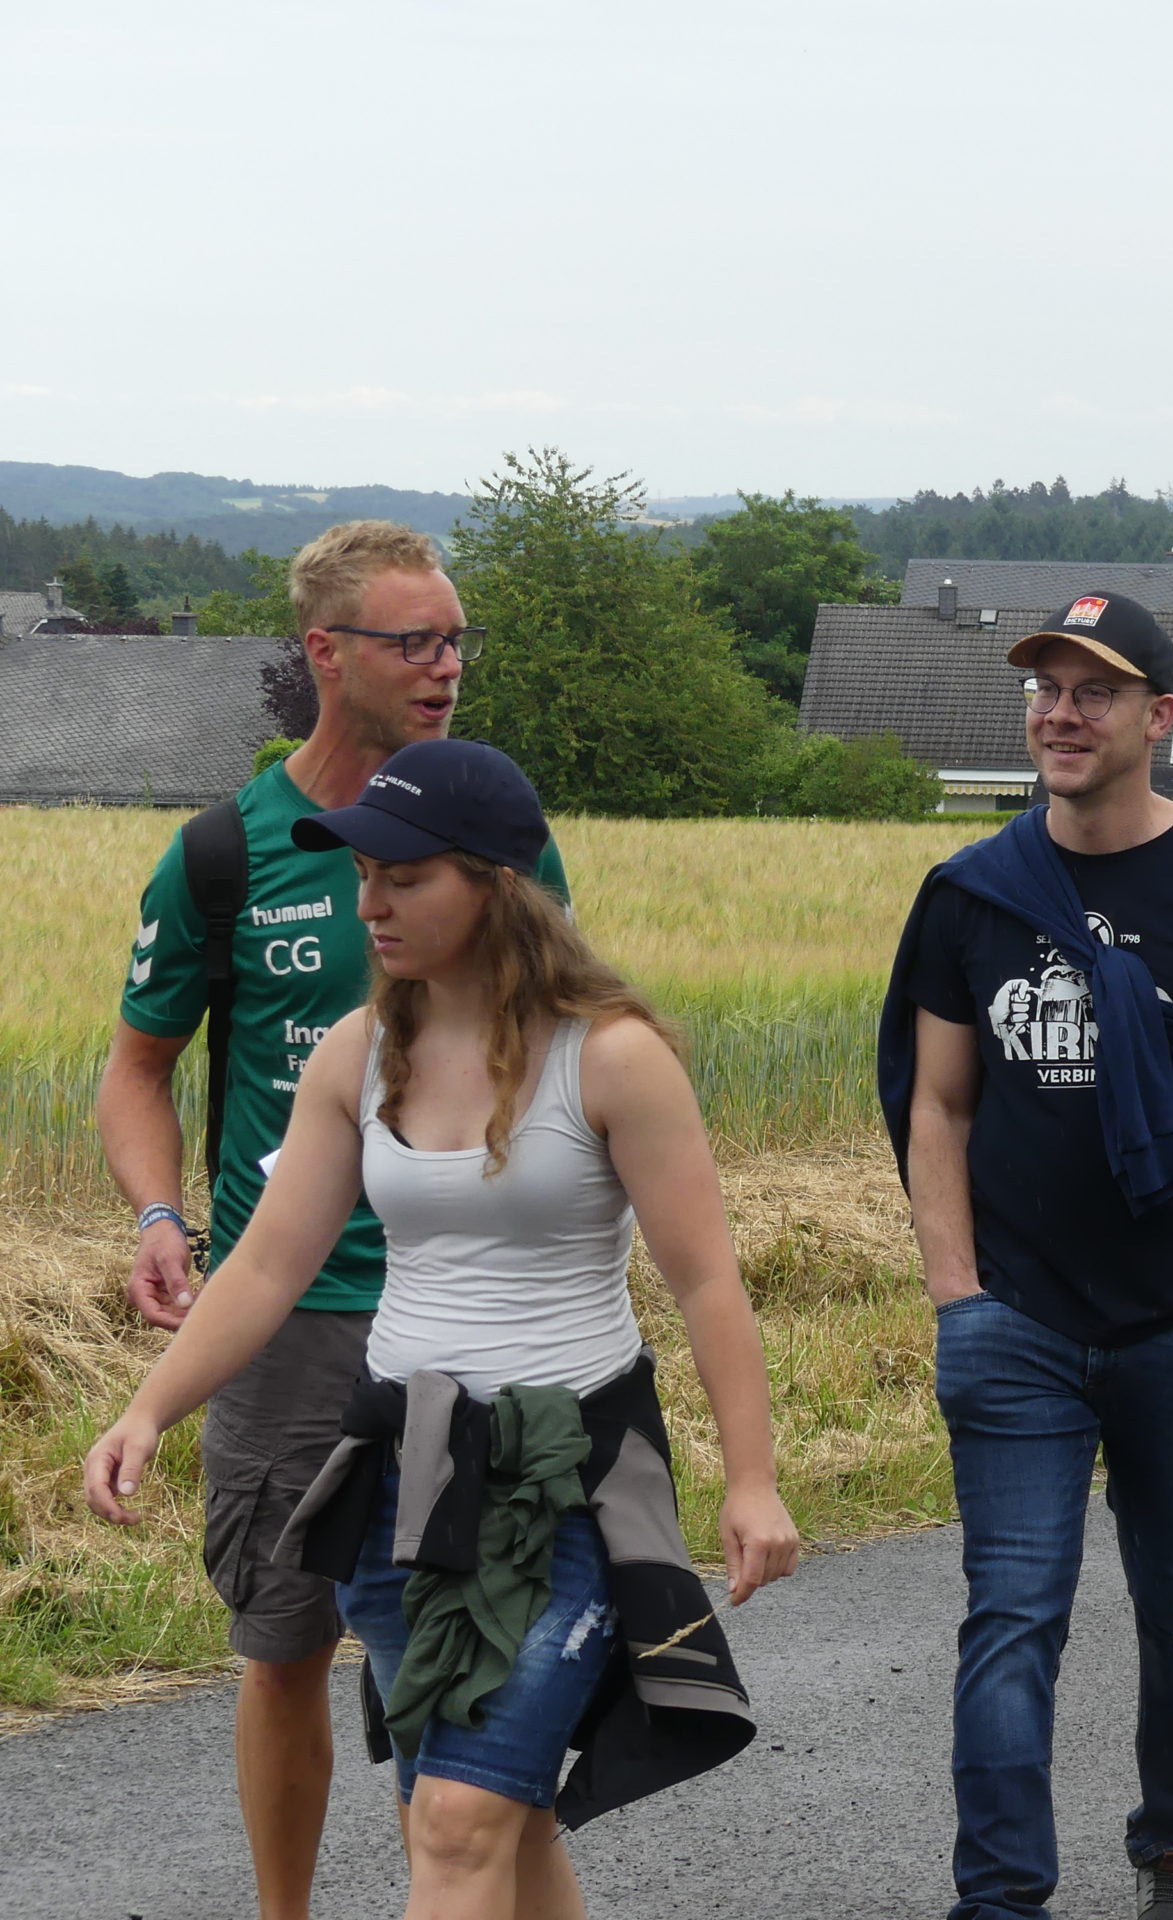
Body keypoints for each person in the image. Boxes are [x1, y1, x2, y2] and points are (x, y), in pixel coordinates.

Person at [87, 738, 798, 1919]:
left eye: (405, 878)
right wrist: (148, 1410)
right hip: (403, 1476)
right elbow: (268, 1265)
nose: (370, 904)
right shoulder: (357, 1055)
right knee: (481, 1809)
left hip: (566, 1481)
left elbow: (707, 1283)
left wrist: (752, 1479)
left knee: (459, 1820)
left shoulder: (612, 1058)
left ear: (496, 884)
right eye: (363, 875)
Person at [98, 520, 569, 1920]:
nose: (446, 667)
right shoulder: (222, 854)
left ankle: (461, 1879)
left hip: (460, 1313)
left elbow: (559, 1042)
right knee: (284, 1643)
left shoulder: (501, 837)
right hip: (287, 1317)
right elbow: (137, 1067)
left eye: (456, 639)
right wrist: (160, 1213)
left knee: (466, 1657)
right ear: (325, 652)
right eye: (413, 641)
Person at [877, 592, 1173, 1920]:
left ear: (1160, 717)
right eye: (1045, 689)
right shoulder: (971, 895)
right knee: (1011, 1618)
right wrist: (958, 1295)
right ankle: (1001, 1899)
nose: (1061, 714)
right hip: (1015, 1322)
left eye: (1094, 691)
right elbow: (937, 1104)